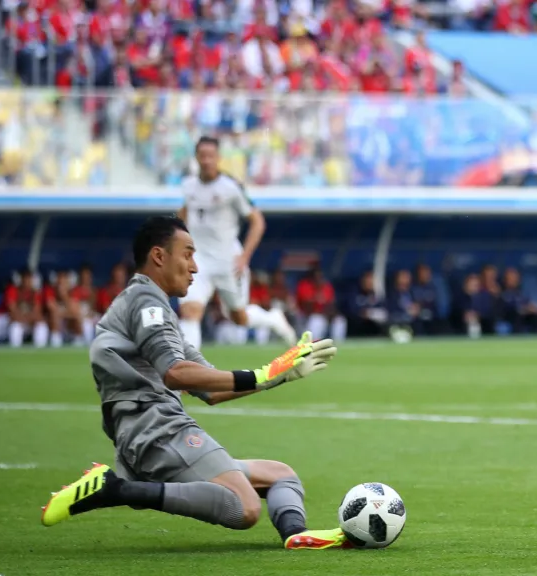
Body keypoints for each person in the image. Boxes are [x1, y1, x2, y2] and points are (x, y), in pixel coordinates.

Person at [40, 216, 346, 551]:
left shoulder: (151, 308)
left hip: (147, 430)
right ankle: (113, 489)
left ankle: (295, 534)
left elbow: (210, 389)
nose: (195, 267)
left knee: (279, 473)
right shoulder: (146, 302)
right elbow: (175, 372)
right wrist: (261, 374)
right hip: (155, 427)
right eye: (187, 254)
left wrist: (277, 375)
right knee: (244, 507)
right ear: (159, 256)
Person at [177, 136, 295, 348]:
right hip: (198, 260)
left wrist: (244, 257)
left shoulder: (230, 188)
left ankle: (273, 319)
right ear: (196, 157)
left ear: (218, 158)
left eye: (210, 156)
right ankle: (190, 368)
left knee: (238, 318)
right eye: (202, 156)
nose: (206, 160)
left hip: (227, 261)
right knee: (190, 311)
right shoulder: (189, 185)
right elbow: (186, 213)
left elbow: (257, 221)